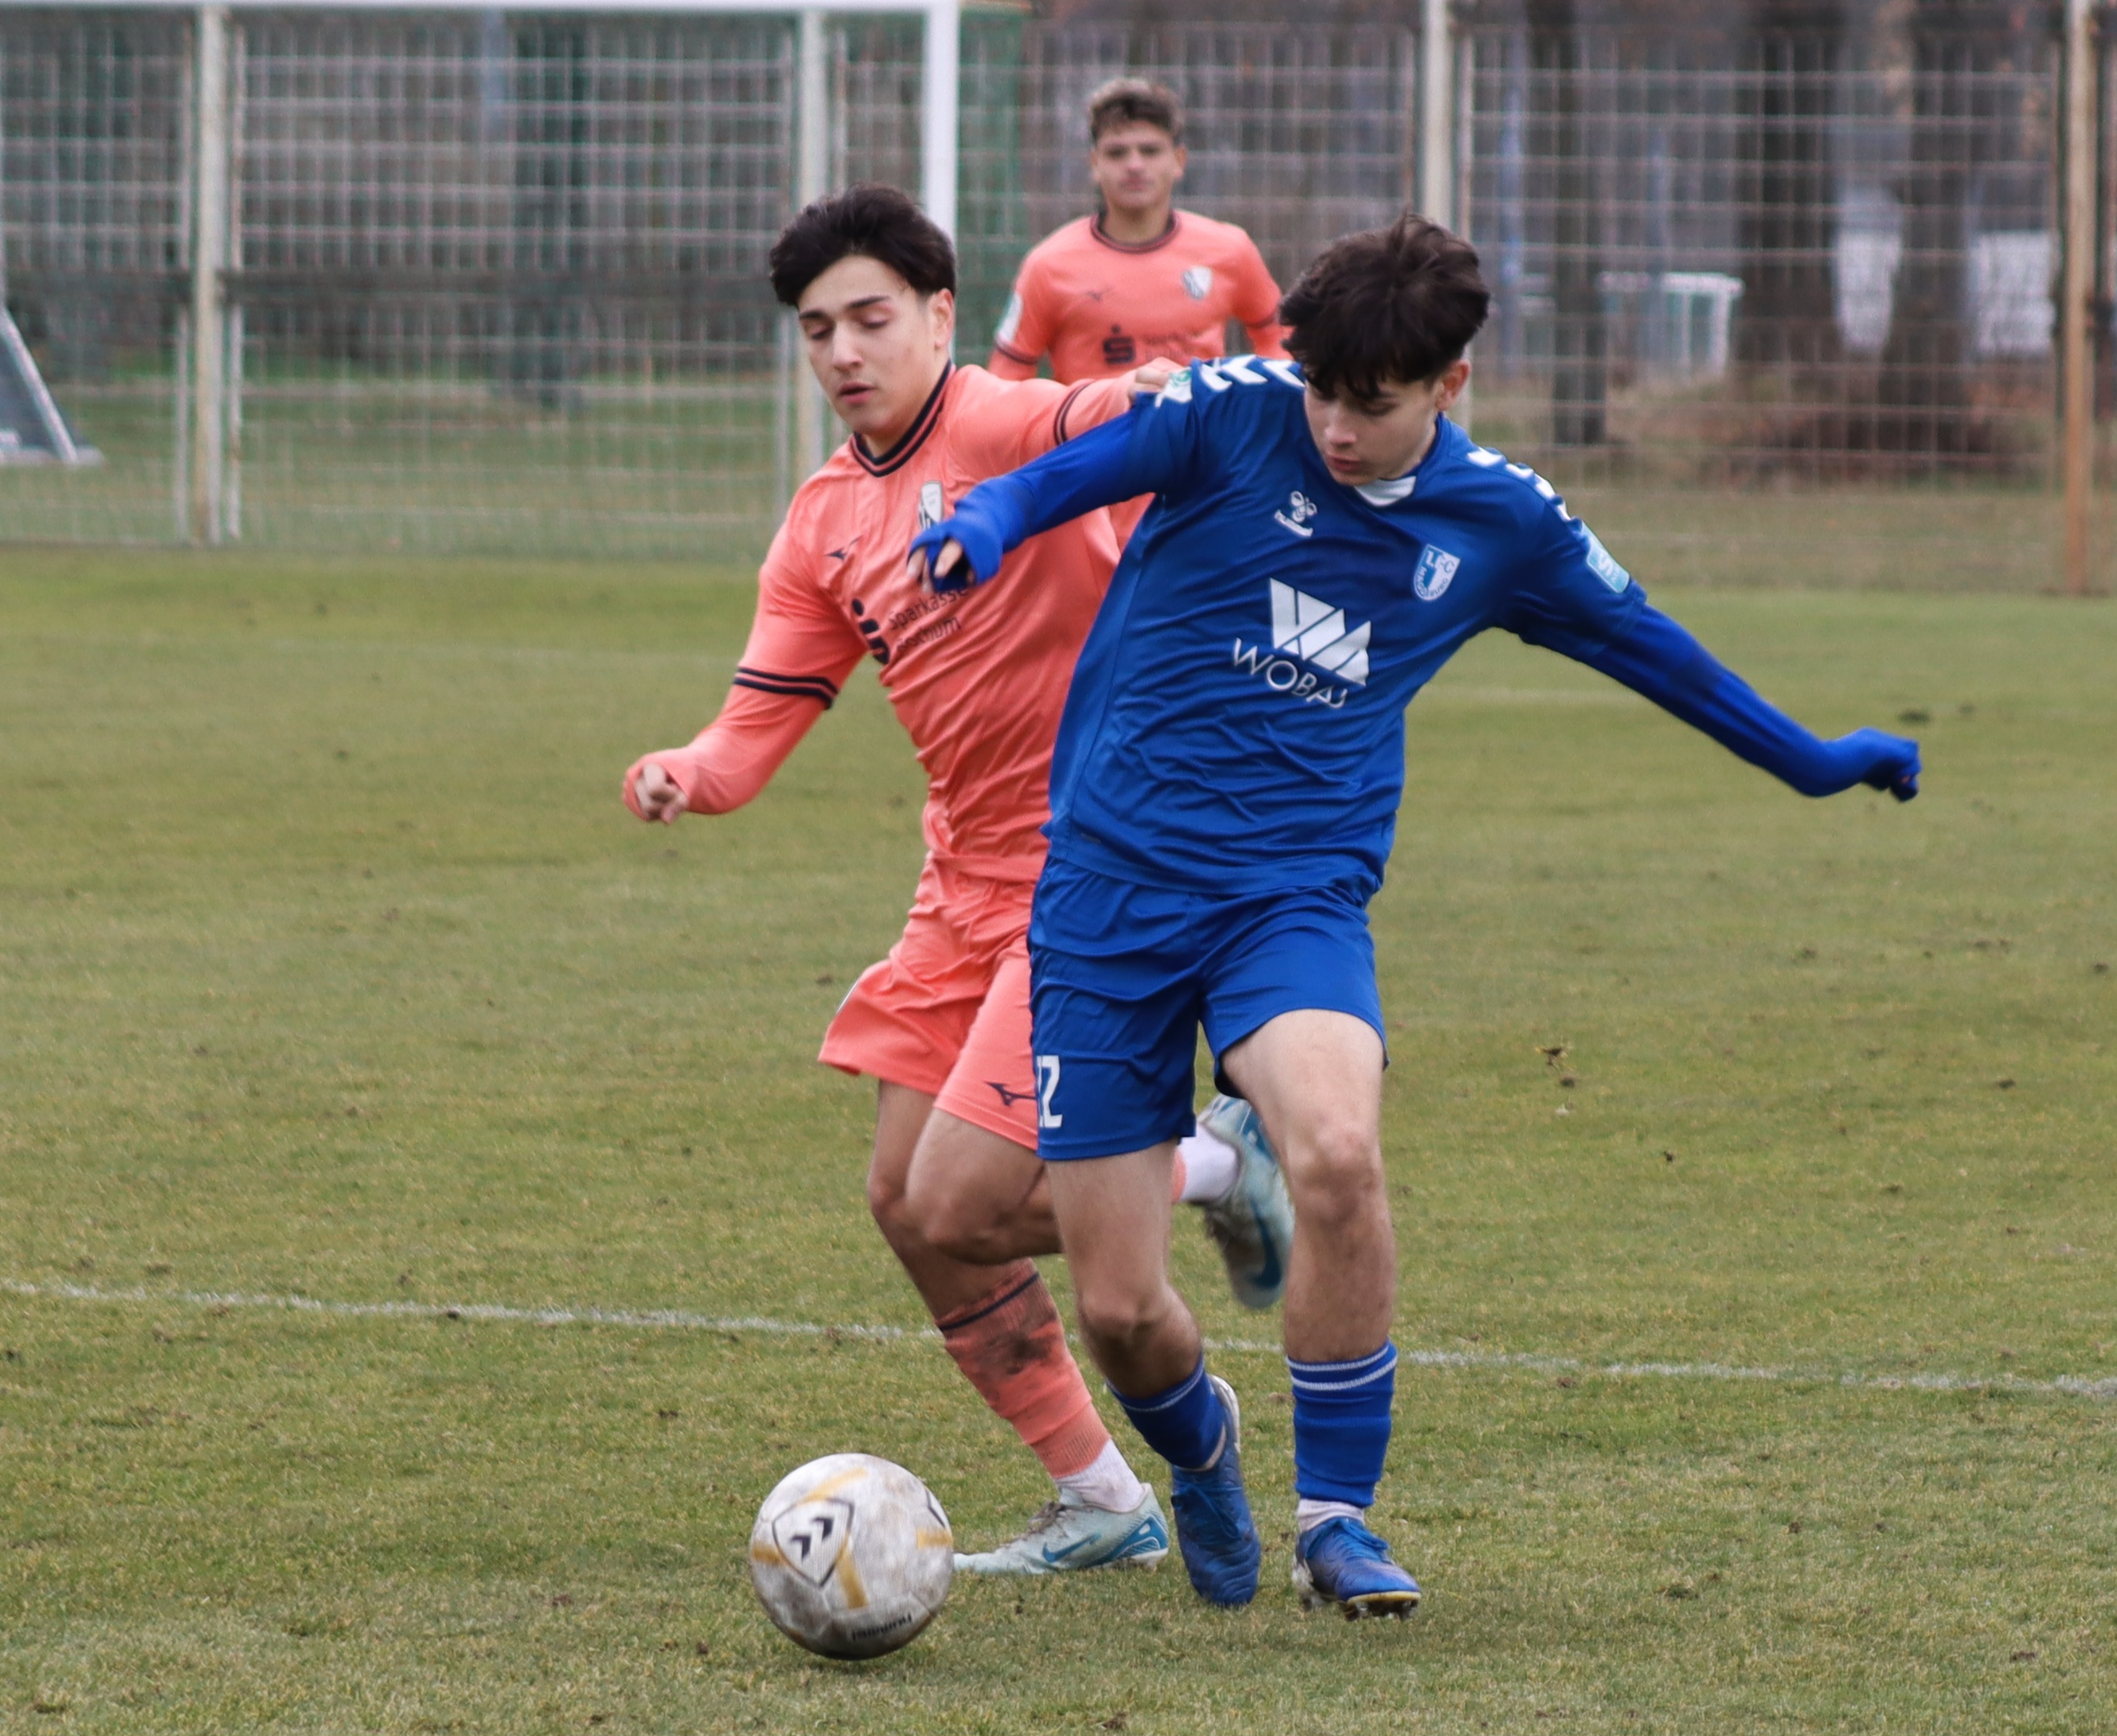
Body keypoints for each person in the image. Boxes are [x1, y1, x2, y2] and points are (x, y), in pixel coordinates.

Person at [910, 214, 1921, 1618]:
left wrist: (1814, 758)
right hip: (1106, 894)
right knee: (1122, 1309)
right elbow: (1064, 474)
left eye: (1367, 402)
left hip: (1291, 896)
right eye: (1317, 386)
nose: (1329, 422)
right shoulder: (1233, 415)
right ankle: (1202, 1450)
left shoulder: (1500, 522)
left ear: (1448, 383)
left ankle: (1338, 1520)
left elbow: (1662, 660)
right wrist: (980, 520)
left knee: (1332, 1149)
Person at [622, 183, 1294, 1578]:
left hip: (1095, 867)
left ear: (940, 313)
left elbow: (1121, 425)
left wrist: (1175, 388)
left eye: (871, 317)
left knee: (960, 1195)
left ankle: (1221, 1161)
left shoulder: (1007, 420)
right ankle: (1103, 1495)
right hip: (960, 882)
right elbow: (757, 724)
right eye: (816, 330)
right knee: (902, 1200)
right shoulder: (821, 521)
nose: (844, 351)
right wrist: (689, 765)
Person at [988, 78, 1287, 388]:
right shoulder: (1048, 266)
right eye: (1117, 153)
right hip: (1097, 436)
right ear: (1095, 164)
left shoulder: (1229, 249)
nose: (1134, 165)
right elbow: (1005, 380)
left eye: (1150, 151)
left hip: (1198, 437)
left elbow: (1279, 335)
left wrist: (1262, 404)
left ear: (1178, 160)